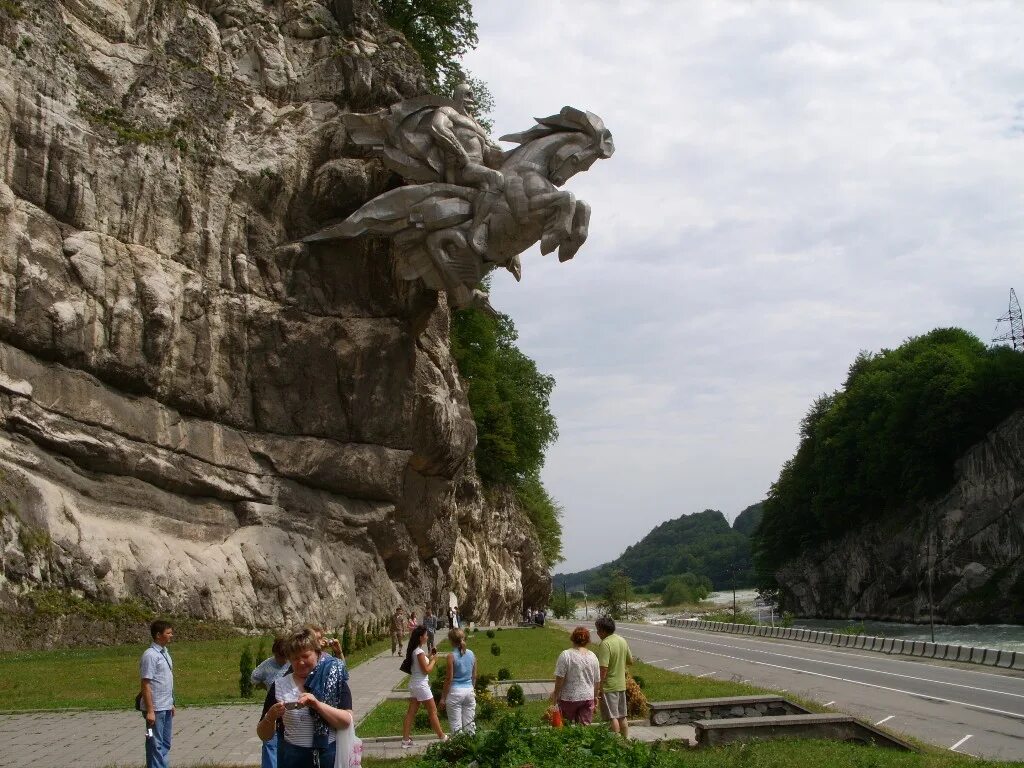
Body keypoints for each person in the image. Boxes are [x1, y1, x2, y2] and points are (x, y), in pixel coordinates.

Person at [257, 627, 353, 768]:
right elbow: (263, 735)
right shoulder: (280, 685)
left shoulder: (334, 678)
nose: (300, 662)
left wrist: (317, 705)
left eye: (305, 656)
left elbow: (346, 722)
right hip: (293, 758)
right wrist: (270, 717)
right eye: (295, 658)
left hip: (329, 757)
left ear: (317, 653)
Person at [400, 626, 446, 747]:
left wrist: (429, 655)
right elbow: (426, 670)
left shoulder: (415, 650)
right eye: (425, 635)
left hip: (414, 685)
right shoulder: (419, 652)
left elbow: (420, 662)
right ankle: (442, 736)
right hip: (421, 685)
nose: (427, 637)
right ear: (421, 638)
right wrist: (434, 660)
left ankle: (405, 740)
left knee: (411, 713)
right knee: (433, 711)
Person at [139, 619, 175, 768]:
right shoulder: (150, 655)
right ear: (158, 635)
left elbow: (165, 681)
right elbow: (145, 684)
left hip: (165, 706)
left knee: (165, 743)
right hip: (155, 710)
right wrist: (150, 711)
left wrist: (171, 703)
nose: (171, 635)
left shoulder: (165, 652)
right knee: (153, 742)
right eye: (168, 633)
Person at [251, 637, 289, 768]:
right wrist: (263, 685)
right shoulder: (268, 664)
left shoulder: (292, 664)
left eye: (284, 656)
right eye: (279, 656)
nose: (281, 659)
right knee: (270, 742)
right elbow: (254, 677)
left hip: (289, 710)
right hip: (272, 706)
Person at [550, 626, 600, 725]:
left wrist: (555, 694)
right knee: (584, 728)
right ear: (587, 640)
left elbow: (560, 678)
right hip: (587, 697)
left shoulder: (566, 655)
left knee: (565, 725)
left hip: (569, 697)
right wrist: (595, 696)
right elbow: (597, 680)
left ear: (573, 639)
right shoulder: (593, 656)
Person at [595, 616, 633, 739]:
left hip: (609, 686)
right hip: (621, 684)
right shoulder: (622, 640)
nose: (597, 633)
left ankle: (616, 743)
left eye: (598, 630)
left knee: (613, 717)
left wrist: (599, 687)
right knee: (622, 716)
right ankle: (626, 739)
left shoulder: (605, 644)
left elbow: (603, 668)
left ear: (604, 631)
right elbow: (630, 661)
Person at [440, 627, 477, 734]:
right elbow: (474, 676)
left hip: (455, 692)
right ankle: (472, 748)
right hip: (469, 690)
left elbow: (449, 679)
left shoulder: (451, 656)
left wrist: (443, 698)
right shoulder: (472, 654)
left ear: (451, 641)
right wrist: (472, 689)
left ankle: (459, 749)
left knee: (456, 726)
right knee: (470, 724)